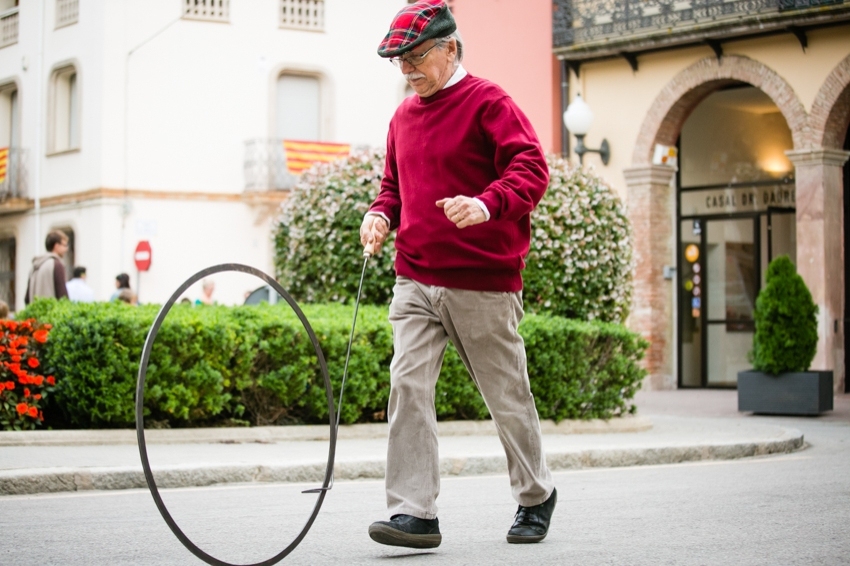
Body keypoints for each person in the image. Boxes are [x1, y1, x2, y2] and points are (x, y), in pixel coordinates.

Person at [360, 0, 555, 549]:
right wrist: (379, 215)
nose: (407, 69)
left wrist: (488, 204)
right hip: (415, 277)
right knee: (407, 386)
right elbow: (393, 188)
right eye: (399, 60)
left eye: (416, 56)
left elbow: (531, 169)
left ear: (451, 48)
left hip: (483, 279)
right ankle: (413, 513)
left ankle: (536, 495)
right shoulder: (402, 117)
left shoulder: (489, 102)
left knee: (506, 394)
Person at [25, 230, 70, 304]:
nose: (66, 249)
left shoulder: (35, 265)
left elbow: (27, 298)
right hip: (51, 314)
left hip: (35, 313)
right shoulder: (56, 264)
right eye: (65, 245)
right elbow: (62, 296)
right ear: (56, 246)